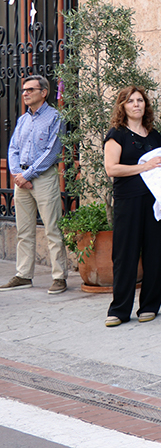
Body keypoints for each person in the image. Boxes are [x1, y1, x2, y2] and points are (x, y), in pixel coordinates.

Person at [103, 86, 161, 326]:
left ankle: (150, 305)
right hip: (128, 201)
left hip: (155, 200)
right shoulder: (117, 134)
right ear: (122, 106)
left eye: (140, 100)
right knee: (125, 254)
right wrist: (144, 166)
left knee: (155, 253)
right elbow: (112, 168)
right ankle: (119, 310)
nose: (136, 105)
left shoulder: (154, 135)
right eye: (131, 101)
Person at [1, 75, 67, 294]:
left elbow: (52, 151)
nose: (25, 93)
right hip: (22, 180)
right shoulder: (22, 120)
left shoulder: (55, 117)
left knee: (52, 229)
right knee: (24, 230)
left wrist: (28, 175)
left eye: (30, 89)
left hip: (44, 177)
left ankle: (59, 277)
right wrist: (18, 174)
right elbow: (13, 149)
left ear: (44, 92)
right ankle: (23, 275)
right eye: (23, 90)